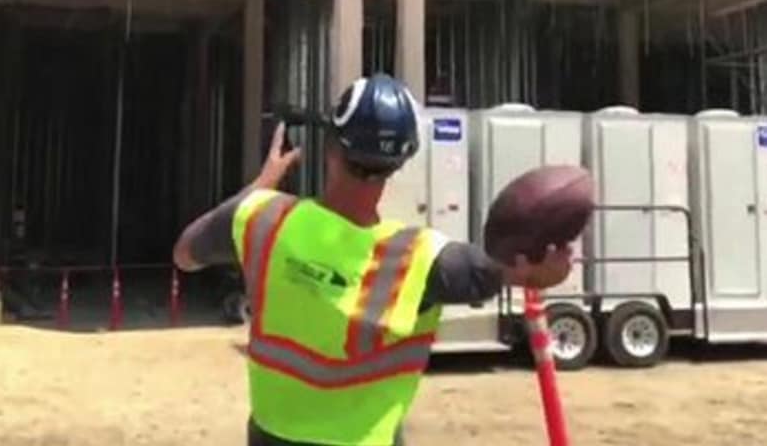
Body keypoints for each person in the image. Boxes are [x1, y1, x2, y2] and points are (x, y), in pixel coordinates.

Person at [173, 74, 574, 446]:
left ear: (331, 146)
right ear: (400, 164)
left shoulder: (263, 219)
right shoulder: (419, 258)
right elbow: (519, 271)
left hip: (270, 437)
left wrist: (261, 184)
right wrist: (546, 269)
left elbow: (185, 254)